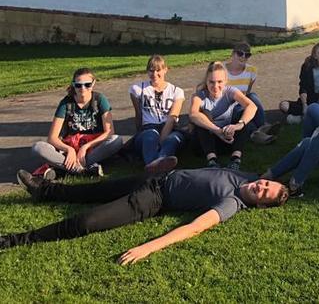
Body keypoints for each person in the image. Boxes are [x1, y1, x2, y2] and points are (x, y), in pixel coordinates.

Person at [4, 168, 288, 263]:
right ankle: (44, 190)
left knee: (88, 221)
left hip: (152, 199)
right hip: (154, 178)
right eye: (265, 183)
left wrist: (147, 247)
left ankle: (15, 240)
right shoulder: (247, 177)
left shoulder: (232, 203)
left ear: (260, 206)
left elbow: (195, 227)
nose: (261, 186)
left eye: (264, 193)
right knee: (92, 190)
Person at [30, 68, 123, 179]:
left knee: (116, 140)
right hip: (70, 147)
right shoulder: (66, 103)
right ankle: (83, 170)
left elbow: (109, 132)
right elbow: (52, 138)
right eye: (78, 85)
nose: (83, 88)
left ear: (93, 83)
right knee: (38, 148)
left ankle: (63, 170)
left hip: (93, 147)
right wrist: (69, 150)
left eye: (87, 85)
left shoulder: (100, 99)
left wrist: (85, 147)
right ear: (73, 85)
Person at [189, 61, 257, 170]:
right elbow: (193, 114)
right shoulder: (199, 96)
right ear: (206, 81)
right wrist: (217, 130)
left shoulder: (230, 91)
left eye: (219, 82)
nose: (215, 86)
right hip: (205, 143)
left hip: (228, 138)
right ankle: (212, 161)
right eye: (211, 82)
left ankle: (235, 159)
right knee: (201, 123)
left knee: (244, 120)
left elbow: (252, 106)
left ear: (225, 81)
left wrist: (238, 125)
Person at [129, 55, 185, 175]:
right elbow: (138, 115)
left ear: (165, 70)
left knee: (172, 139)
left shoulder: (177, 91)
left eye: (158, 70)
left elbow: (172, 117)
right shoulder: (138, 89)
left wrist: (162, 139)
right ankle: (155, 166)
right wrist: (139, 135)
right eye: (151, 70)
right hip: (148, 128)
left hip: (170, 128)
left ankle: (158, 163)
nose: (154, 74)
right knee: (150, 135)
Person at [224, 42, 278, 145]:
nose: (243, 57)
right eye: (240, 53)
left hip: (242, 102)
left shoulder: (251, 71)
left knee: (252, 97)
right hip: (227, 106)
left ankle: (260, 131)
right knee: (245, 112)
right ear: (233, 54)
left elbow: (247, 92)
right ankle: (262, 130)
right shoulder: (221, 70)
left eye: (247, 55)